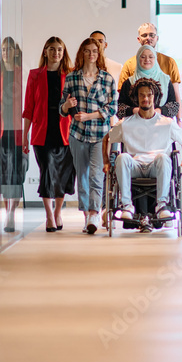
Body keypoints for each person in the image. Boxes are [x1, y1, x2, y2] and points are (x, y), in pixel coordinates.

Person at [104, 78, 182, 226]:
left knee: (163, 157)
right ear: (136, 98)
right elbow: (107, 138)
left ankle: (162, 205)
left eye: (149, 95)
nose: (145, 98)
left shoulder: (166, 122)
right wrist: (106, 162)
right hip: (135, 166)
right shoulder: (126, 123)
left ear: (154, 97)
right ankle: (127, 206)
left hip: (156, 166)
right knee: (122, 157)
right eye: (142, 95)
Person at [61, 37, 116, 235]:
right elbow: (62, 108)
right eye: (87, 51)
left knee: (96, 175)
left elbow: (112, 108)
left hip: (100, 135)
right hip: (77, 135)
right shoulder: (71, 77)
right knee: (82, 176)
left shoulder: (107, 79)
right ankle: (86, 215)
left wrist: (89, 116)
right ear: (81, 53)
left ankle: (94, 213)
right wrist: (67, 106)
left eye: (94, 50)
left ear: (99, 54)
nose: (91, 54)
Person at [22, 37, 76, 233]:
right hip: (41, 131)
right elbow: (28, 107)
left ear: (63, 52)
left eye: (59, 49)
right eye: (52, 49)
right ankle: (49, 215)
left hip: (66, 131)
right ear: (45, 51)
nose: (56, 53)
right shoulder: (35, 75)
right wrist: (24, 135)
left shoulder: (70, 74)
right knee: (47, 172)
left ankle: (58, 212)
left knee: (63, 175)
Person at [0, 37, 25, 233]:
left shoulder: (21, 74)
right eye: (3, 49)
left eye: (9, 49)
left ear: (16, 51)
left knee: (16, 173)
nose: (6, 52)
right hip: (0, 131)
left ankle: (11, 213)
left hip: (17, 130)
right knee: (3, 172)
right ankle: (6, 209)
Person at [117, 45, 180, 119]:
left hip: (161, 124)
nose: (147, 60)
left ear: (155, 59)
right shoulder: (129, 82)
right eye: (143, 57)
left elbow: (174, 106)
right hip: (135, 125)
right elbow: (119, 108)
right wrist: (134, 111)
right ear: (137, 59)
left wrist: (159, 111)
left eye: (151, 57)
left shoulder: (165, 80)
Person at [117, 23, 181, 94]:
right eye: (144, 35)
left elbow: (175, 95)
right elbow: (123, 97)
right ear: (139, 39)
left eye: (152, 35)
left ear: (157, 38)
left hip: (164, 105)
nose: (148, 38)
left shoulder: (169, 62)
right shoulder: (129, 64)